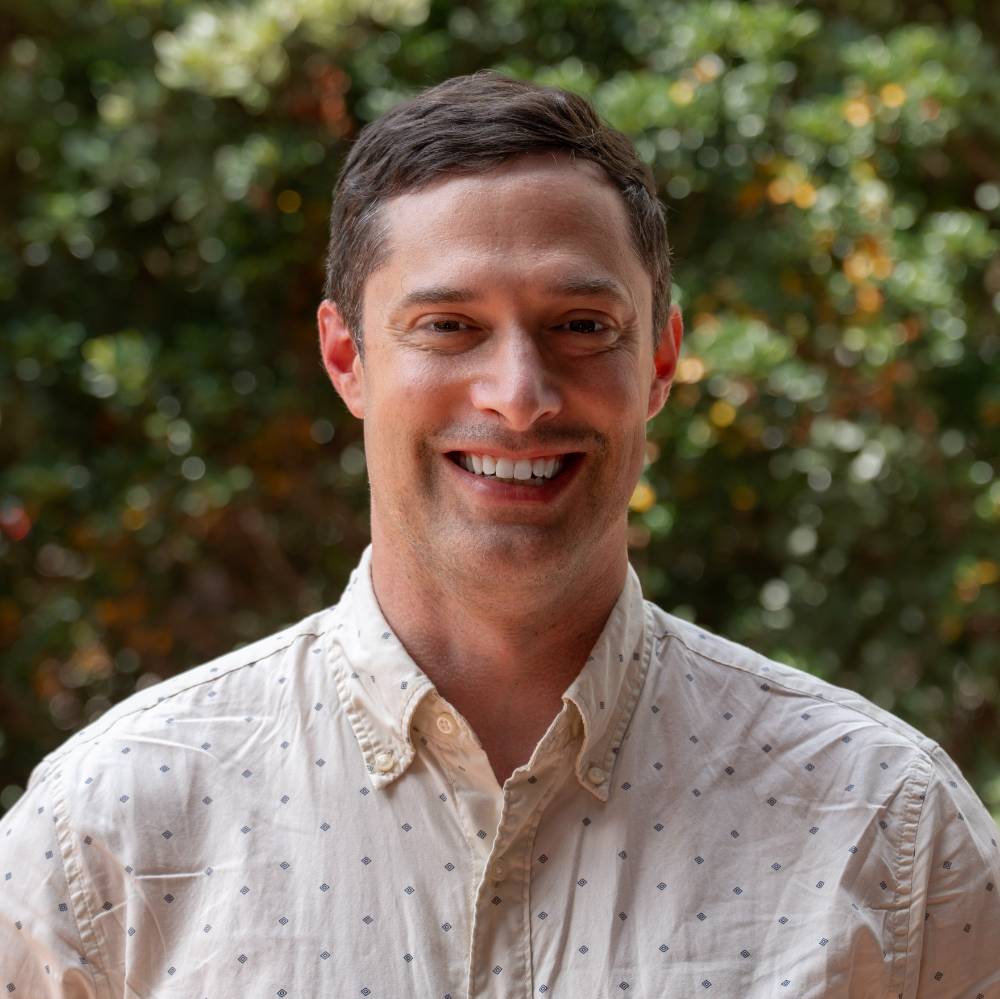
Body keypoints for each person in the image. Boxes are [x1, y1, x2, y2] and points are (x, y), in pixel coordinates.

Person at [1, 72, 997, 999]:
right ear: (346, 357)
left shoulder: (885, 829)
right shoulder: (110, 836)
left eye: (579, 326)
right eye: (447, 326)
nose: (518, 398)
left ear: (659, 359)